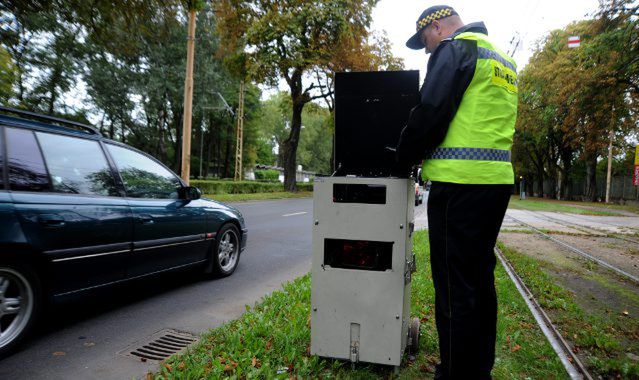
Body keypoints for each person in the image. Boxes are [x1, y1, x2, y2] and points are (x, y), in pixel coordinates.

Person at [396, 5, 517, 379]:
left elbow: (432, 109)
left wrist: (402, 156)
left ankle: (455, 373)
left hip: (460, 185)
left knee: (453, 284)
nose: (429, 50)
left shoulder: (456, 49)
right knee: (479, 279)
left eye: (426, 42)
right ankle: (479, 369)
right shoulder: (502, 60)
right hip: (495, 184)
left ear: (436, 28)